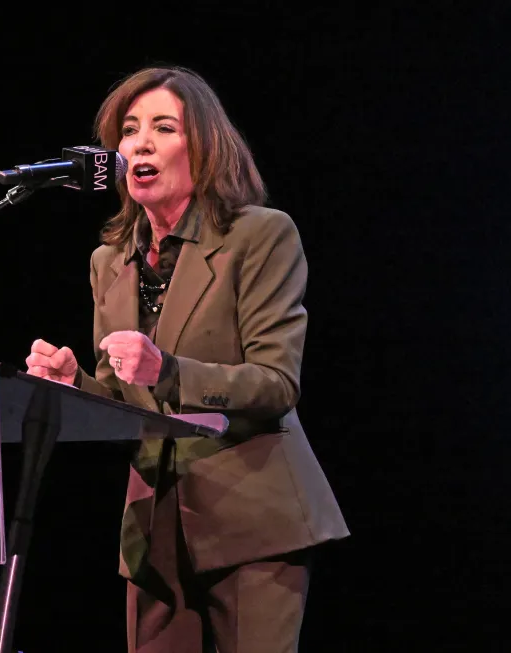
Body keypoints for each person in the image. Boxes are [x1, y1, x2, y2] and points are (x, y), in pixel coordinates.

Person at [25, 65, 350, 653]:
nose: (140, 142)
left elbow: (276, 383)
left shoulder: (259, 236)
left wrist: (170, 371)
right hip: (152, 530)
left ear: (203, 147)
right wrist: (72, 383)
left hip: (253, 518)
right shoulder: (109, 261)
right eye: (128, 130)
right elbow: (125, 402)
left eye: (163, 127)